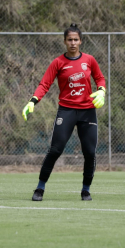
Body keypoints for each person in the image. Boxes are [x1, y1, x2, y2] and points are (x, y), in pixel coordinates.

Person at [22, 23, 106, 201]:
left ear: (81, 41)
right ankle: (40, 189)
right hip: (66, 111)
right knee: (55, 150)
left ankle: (85, 190)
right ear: (65, 41)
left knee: (90, 152)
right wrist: (32, 101)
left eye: (76, 39)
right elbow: (44, 84)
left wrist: (102, 91)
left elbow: (99, 78)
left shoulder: (89, 60)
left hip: (87, 112)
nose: (73, 43)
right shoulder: (58, 62)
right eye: (70, 40)